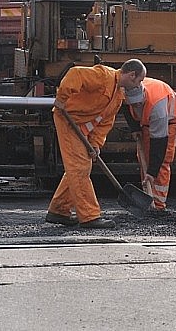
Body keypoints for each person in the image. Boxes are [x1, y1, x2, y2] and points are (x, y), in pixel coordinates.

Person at [46, 58, 147, 229]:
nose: (139, 84)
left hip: (80, 125)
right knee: (79, 168)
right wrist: (62, 98)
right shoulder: (103, 76)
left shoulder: (117, 96)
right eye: (140, 80)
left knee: (79, 167)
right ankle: (89, 216)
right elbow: (75, 74)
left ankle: (59, 210)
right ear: (131, 75)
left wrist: (95, 144)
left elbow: (105, 122)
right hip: (67, 118)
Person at [124, 77, 176, 211]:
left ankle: (158, 205)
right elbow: (126, 109)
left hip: (168, 123)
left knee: (160, 163)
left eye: (137, 104)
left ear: (143, 98)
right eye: (132, 104)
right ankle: (148, 199)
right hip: (145, 123)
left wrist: (151, 172)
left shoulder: (158, 108)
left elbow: (159, 143)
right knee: (144, 159)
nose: (135, 106)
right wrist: (135, 128)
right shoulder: (126, 91)